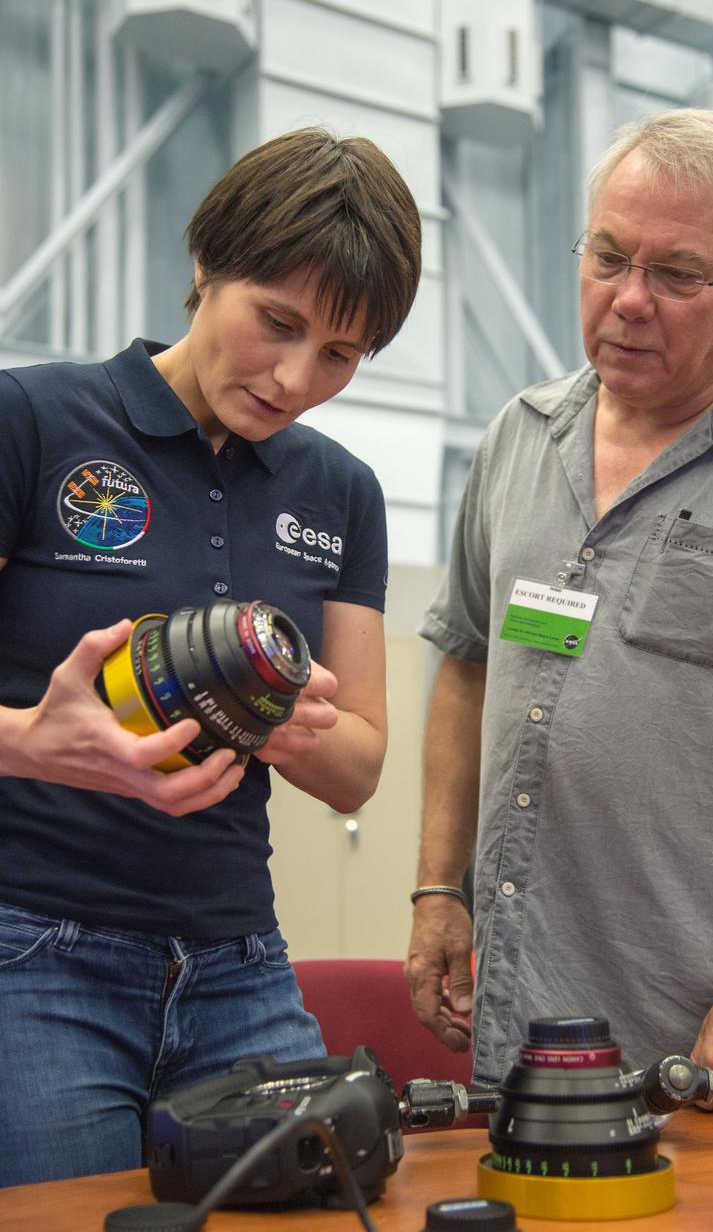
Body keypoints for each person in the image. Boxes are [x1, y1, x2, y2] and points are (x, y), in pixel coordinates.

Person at [0, 125, 421, 1186]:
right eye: (273, 322)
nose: (292, 378)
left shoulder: (340, 491)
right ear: (204, 264)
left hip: (238, 963)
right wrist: (36, 743)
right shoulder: (33, 420)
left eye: (338, 354)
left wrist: (287, 726)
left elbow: (361, 761)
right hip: (32, 954)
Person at [405, 108, 713, 1099]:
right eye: (606, 256)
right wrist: (439, 884)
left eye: (676, 274)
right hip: (521, 1031)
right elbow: (470, 658)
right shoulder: (518, 439)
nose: (626, 300)